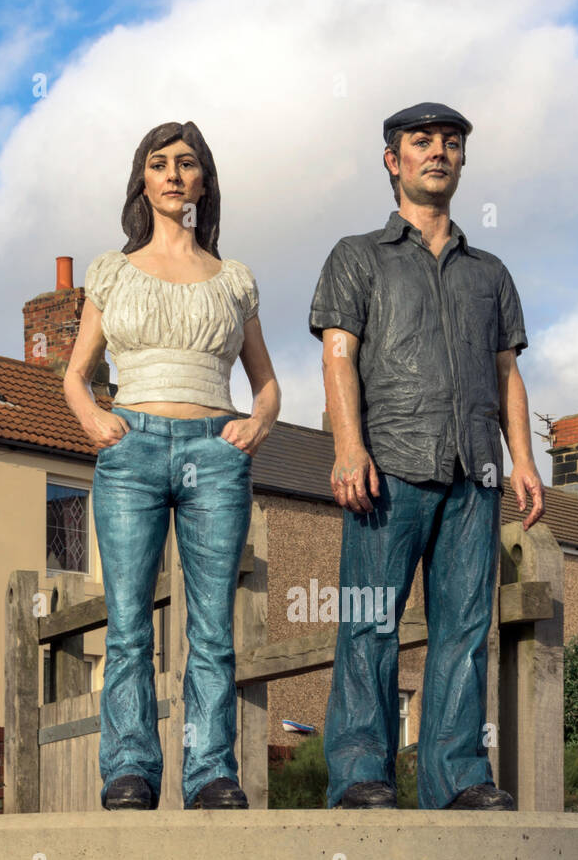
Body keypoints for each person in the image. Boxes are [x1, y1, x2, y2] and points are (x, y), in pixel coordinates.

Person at [309, 101, 545, 811]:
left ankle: (458, 777)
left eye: (449, 143)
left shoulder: (490, 272)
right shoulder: (357, 256)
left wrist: (524, 461)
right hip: (388, 471)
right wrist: (348, 448)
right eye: (420, 142)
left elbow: (506, 370)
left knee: (465, 632)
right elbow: (338, 356)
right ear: (393, 161)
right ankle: (360, 775)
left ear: (461, 161)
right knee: (368, 625)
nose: (436, 152)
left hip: (474, 473)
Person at [64, 120, 280, 811]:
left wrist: (256, 425)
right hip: (131, 449)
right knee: (128, 622)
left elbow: (267, 382)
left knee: (211, 625)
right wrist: (95, 420)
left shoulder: (233, 279)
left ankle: (211, 770)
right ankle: (129, 769)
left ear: (203, 182)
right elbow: (75, 374)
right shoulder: (112, 271)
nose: (173, 174)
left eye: (187, 163)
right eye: (159, 164)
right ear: (143, 180)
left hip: (215, 452)